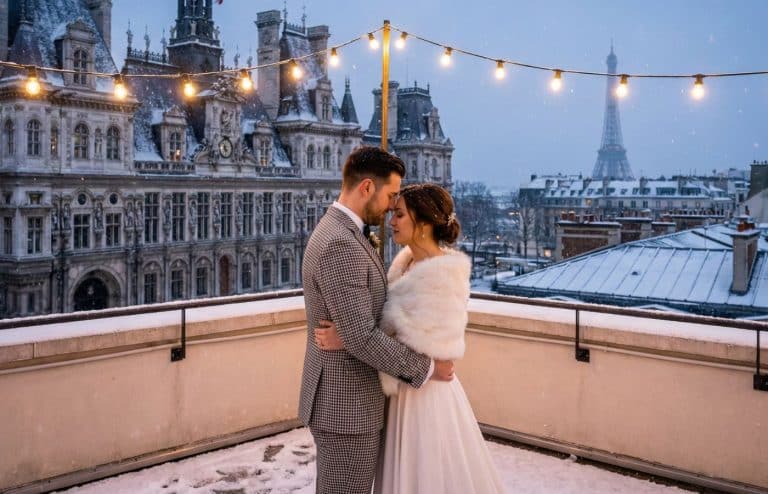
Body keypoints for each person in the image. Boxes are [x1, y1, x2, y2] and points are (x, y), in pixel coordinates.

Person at [315, 183, 506, 494]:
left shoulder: (441, 276)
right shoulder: (408, 265)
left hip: (423, 395)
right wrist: (353, 333)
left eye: (400, 215)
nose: (391, 221)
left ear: (424, 224)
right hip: (406, 385)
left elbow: (422, 349)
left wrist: (348, 337)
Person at [299, 146, 456, 494]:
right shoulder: (341, 242)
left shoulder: (342, 232)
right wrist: (428, 369)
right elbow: (362, 338)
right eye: (390, 196)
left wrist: (349, 335)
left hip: (347, 400)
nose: (390, 208)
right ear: (367, 187)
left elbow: (360, 327)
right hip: (346, 408)